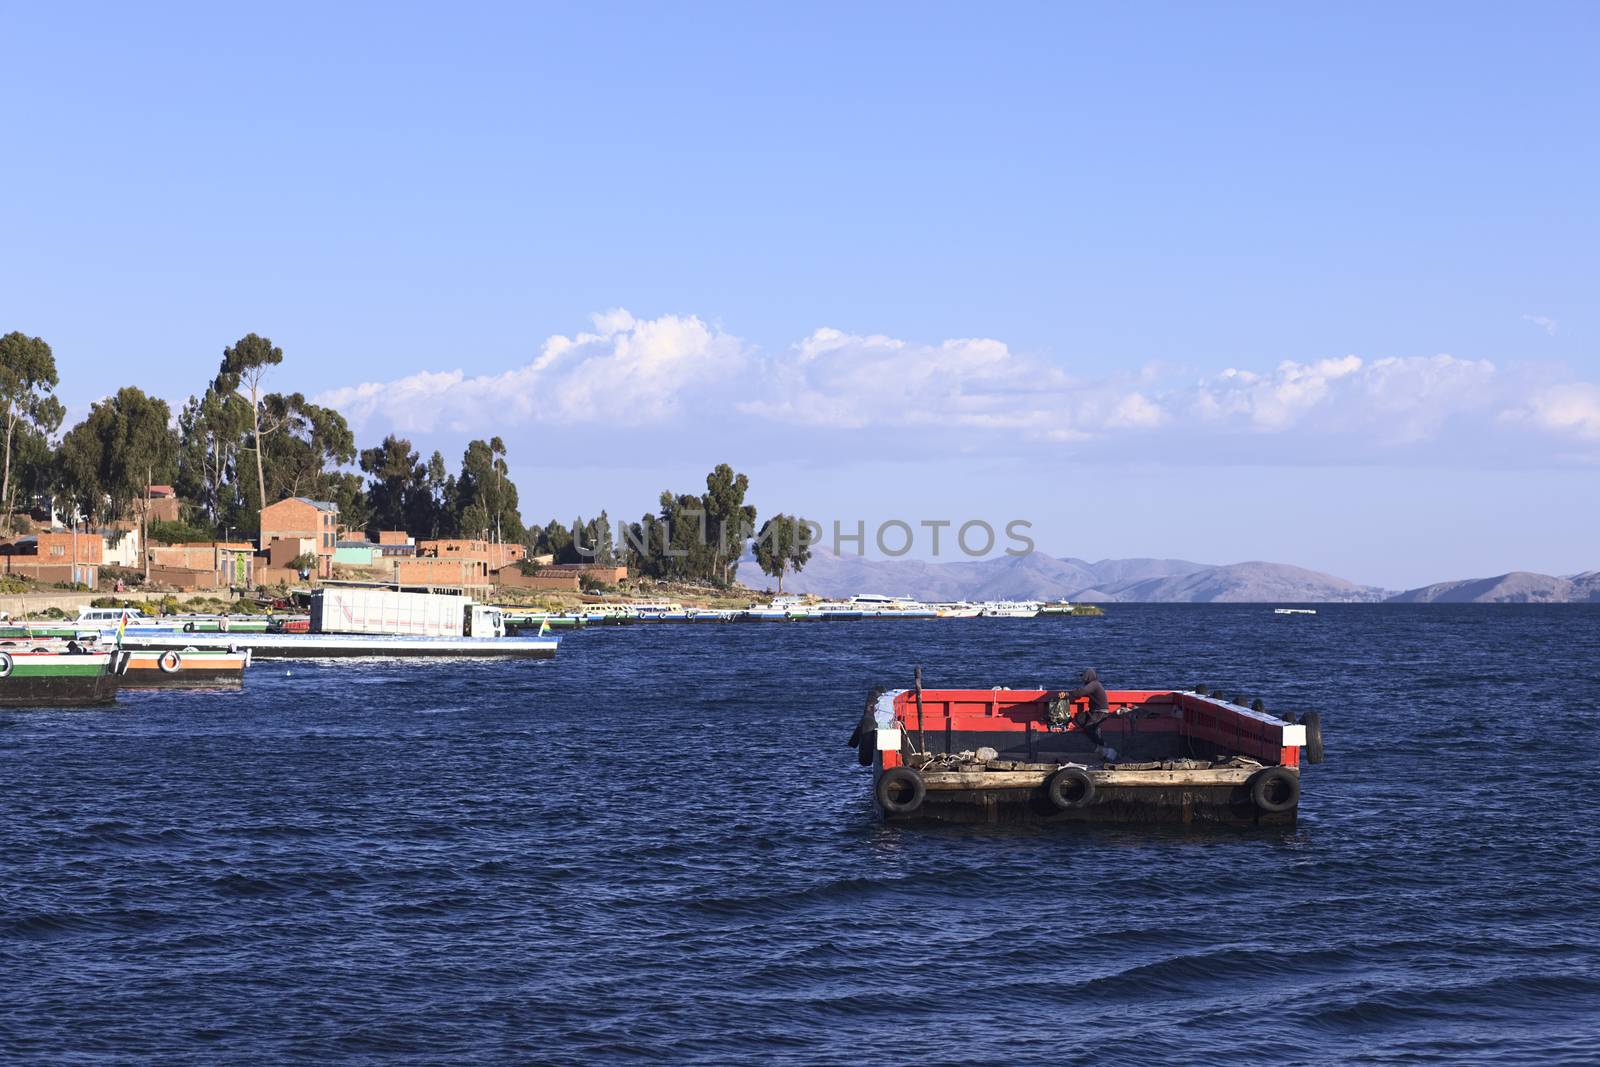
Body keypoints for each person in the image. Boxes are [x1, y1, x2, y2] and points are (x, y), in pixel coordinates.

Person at [1058, 668, 1118, 761]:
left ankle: (1103, 746)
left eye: (1085, 677)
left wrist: (1066, 694)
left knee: (1088, 728)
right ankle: (1067, 727)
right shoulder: (1093, 686)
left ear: (1089, 676)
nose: (1083, 679)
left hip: (1100, 712)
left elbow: (1081, 692)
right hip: (1093, 712)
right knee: (1078, 718)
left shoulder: (1095, 684)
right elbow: (1083, 692)